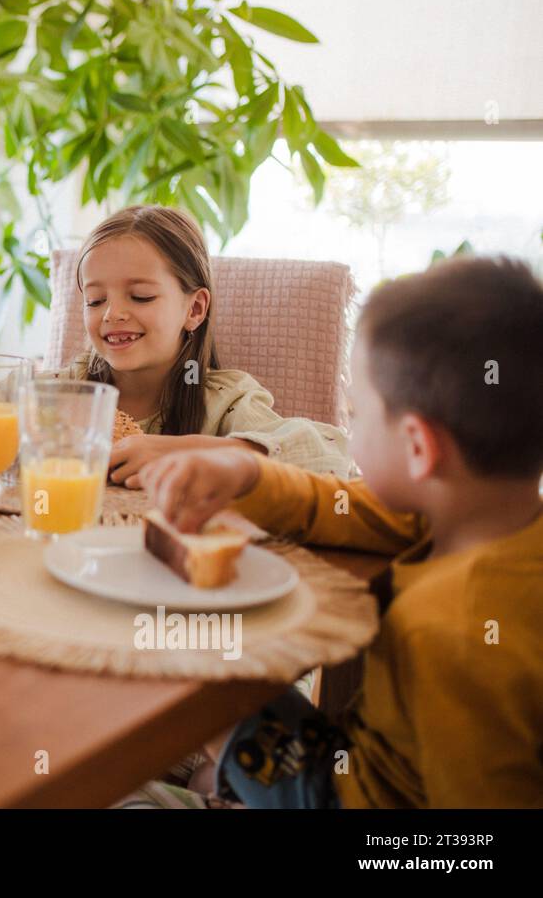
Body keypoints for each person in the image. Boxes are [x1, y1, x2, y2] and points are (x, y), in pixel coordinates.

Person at [140, 257, 543, 807]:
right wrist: (247, 472)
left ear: (418, 448)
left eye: (355, 414)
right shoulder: (473, 513)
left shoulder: (457, 633)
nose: (348, 430)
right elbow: (336, 503)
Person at [0, 205, 352, 483]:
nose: (113, 313)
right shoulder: (62, 390)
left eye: (141, 296)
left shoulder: (223, 401)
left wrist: (184, 449)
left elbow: (329, 453)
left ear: (194, 309)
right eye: (95, 300)